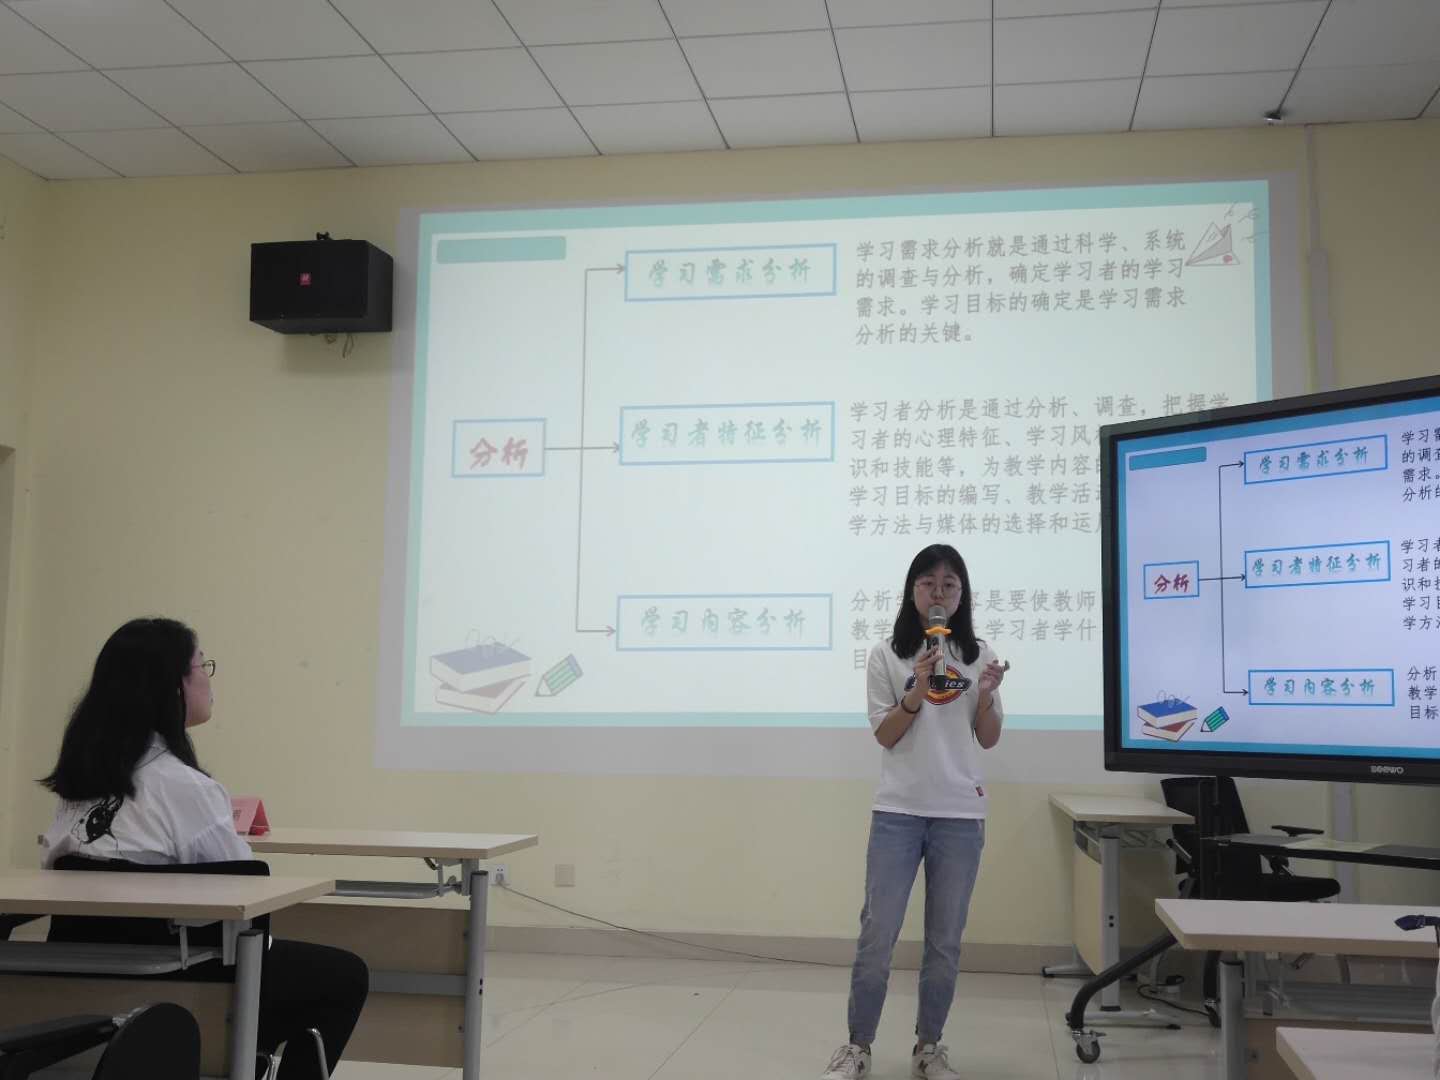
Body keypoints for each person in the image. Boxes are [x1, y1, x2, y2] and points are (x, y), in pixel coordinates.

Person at [39, 617, 368, 1080]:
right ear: (173, 686)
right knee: (344, 974)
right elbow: (243, 895)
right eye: (202, 666)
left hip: (73, 973)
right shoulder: (186, 787)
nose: (209, 679)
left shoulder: (79, 783)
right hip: (182, 980)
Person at [821, 545, 1007, 1080]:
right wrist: (915, 693)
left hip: (960, 814)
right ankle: (858, 1046)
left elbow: (988, 738)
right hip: (898, 811)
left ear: (962, 595)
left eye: (950, 584)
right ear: (912, 591)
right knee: (877, 935)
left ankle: (929, 1047)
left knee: (944, 942)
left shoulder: (978, 653)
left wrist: (987, 696)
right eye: (928, 583)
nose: (938, 593)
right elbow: (885, 734)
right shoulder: (887, 654)